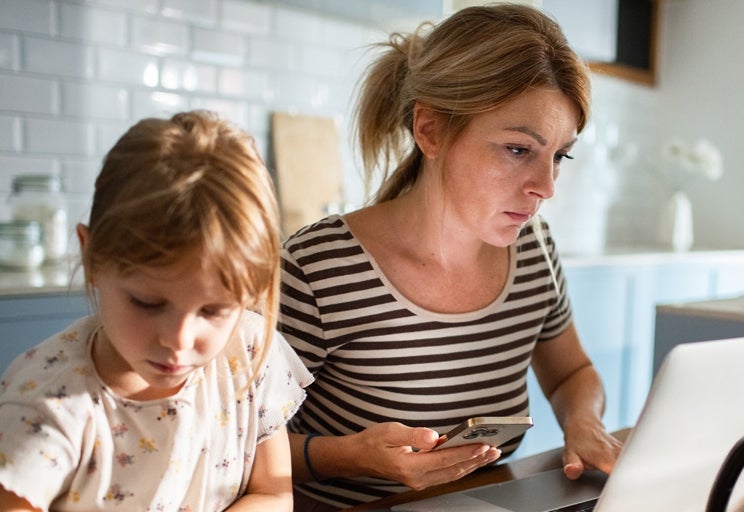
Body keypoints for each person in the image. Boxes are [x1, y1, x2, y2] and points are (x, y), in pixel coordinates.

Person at [279, 4, 622, 509]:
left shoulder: (533, 249)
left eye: (560, 155)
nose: (546, 186)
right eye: (517, 149)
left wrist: (584, 422)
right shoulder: (317, 268)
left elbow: (572, 374)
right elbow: (233, 445)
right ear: (431, 131)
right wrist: (352, 457)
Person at [0, 110, 313, 511]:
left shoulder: (249, 350)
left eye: (214, 310)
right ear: (91, 257)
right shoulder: (48, 407)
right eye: (148, 303)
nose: (178, 340)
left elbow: (272, 493)